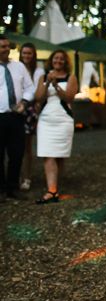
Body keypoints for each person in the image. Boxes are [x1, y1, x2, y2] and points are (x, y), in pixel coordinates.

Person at [35, 49, 79, 204]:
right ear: (51, 61)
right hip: (46, 119)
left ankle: (55, 188)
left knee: (60, 155)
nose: (58, 61)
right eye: (55, 58)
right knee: (48, 154)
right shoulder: (43, 77)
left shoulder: (71, 77)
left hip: (63, 119)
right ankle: (51, 190)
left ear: (65, 61)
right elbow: (38, 97)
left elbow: (69, 97)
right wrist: (47, 83)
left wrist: (57, 85)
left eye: (61, 59)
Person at [0, 34, 35, 202]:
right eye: (3, 47)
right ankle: (0, 190)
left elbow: (30, 88)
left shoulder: (19, 66)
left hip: (16, 116)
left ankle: (12, 188)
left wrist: (24, 102)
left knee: (17, 153)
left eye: (7, 46)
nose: (7, 49)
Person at [19, 42, 45, 192]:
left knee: (27, 147)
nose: (26, 56)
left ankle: (26, 177)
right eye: (24, 53)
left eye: (29, 53)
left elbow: (37, 93)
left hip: (30, 110)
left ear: (34, 55)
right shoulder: (16, 68)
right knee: (15, 147)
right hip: (16, 109)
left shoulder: (39, 71)